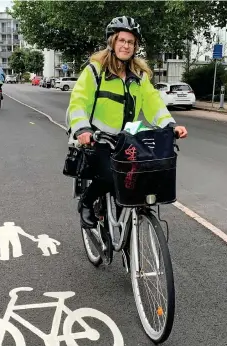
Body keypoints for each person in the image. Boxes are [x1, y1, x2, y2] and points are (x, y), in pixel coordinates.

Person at [66, 16, 188, 228]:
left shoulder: (139, 75)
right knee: (108, 175)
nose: (126, 45)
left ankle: (126, 244)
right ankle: (86, 202)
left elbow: (154, 104)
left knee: (134, 181)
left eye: (131, 42)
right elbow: (78, 102)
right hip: (97, 138)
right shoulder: (95, 71)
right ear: (112, 42)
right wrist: (82, 130)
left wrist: (170, 125)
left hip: (125, 138)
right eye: (122, 40)